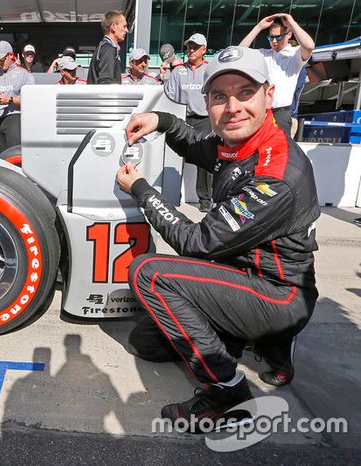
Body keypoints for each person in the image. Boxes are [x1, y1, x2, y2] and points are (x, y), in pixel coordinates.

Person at [116, 46, 319, 430]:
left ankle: (227, 389)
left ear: (268, 96)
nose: (233, 107)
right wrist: (157, 118)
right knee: (146, 342)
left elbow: (195, 241)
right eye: (220, 97)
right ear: (208, 102)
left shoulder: (277, 172)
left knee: (149, 273)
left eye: (245, 93)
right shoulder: (240, 145)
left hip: (278, 295)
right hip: (244, 277)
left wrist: (141, 189)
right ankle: (254, 342)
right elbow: (193, 144)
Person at [239, 14, 314, 137]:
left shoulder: (295, 54)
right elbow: (239, 53)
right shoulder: (264, 54)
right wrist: (258, 27)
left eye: (278, 37)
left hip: (281, 113)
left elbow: (309, 45)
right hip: (261, 113)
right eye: (270, 37)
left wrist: (291, 23)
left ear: (289, 35)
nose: (274, 41)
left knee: (280, 154)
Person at [165, 33, 212, 212]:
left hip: (204, 120)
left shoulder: (210, 70)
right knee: (176, 158)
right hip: (182, 119)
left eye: (195, 47)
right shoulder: (177, 72)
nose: (191, 50)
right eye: (189, 46)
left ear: (204, 50)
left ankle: (205, 200)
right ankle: (172, 196)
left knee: (205, 161)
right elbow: (169, 96)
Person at [0, 40, 34, 154]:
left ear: (10, 55)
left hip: (15, 119)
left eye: (2, 59)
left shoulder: (24, 74)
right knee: (1, 158)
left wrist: (10, 100)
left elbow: (31, 101)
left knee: (15, 157)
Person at [87, 11, 129, 84]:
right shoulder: (108, 49)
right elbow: (105, 82)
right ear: (113, 27)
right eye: (124, 26)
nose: (126, 30)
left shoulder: (105, 47)